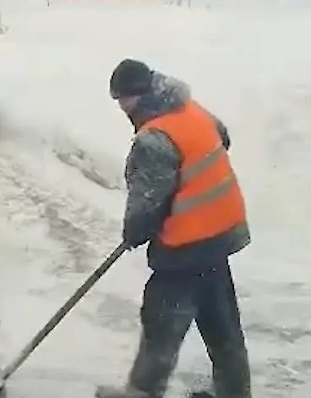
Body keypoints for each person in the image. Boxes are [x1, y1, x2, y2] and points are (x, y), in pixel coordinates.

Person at [96, 59, 252, 398]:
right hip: (221, 233)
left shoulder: (154, 139)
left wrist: (134, 232)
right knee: (222, 326)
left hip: (186, 245)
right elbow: (222, 137)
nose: (121, 107)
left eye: (122, 99)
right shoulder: (189, 109)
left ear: (136, 96)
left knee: (161, 325)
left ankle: (142, 392)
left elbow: (147, 203)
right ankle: (235, 392)